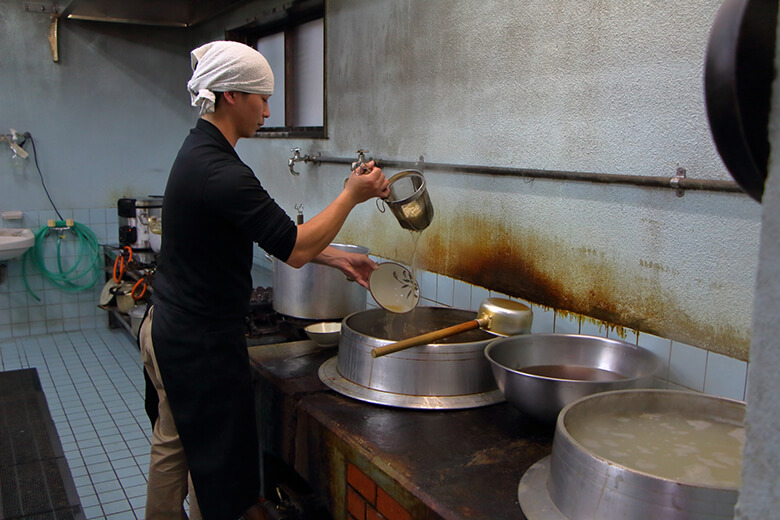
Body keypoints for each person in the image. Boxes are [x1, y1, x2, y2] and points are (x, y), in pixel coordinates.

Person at [138, 40, 389, 520]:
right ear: (232, 95)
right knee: (218, 466)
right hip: (197, 343)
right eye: (262, 99)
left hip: (169, 324)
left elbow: (275, 238)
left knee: (176, 444)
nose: (268, 111)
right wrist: (351, 195)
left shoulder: (201, 151)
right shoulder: (220, 172)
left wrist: (339, 260)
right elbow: (294, 247)